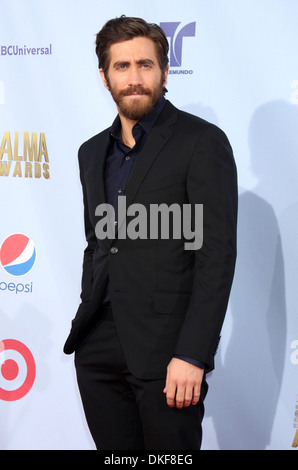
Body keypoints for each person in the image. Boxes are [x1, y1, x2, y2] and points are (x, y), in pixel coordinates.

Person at [64, 15, 238, 450]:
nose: (135, 78)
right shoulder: (91, 152)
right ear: (104, 77)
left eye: (145, 64)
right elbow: (98, 243)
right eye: (122, 67)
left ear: (164, 70)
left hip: (169, 351)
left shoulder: (201, 142)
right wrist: (88, 309)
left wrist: (193, 353)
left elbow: (215, 255)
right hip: (99, 347)